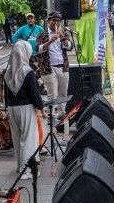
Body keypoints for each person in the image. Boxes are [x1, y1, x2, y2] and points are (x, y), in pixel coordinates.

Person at [5, 41, 44, 180]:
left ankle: (20, 166)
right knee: (28, 139)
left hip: (11, 108)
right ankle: (26, 170)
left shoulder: (7, 72)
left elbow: (6, 94)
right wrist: (41, 107)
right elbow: (34, 95)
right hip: (25, 108)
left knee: (17, 139)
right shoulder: (28, 72)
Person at [36, 11, 73, 114]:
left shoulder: (63, 33)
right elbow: (38, 49)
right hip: (49, 68)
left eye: (58, 21)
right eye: (54, 21)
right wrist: (50, 41)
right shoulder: (42, 35)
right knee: (52, 95)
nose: (56, 23)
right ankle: (51, 118)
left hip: (63, 67)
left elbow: (70, 47)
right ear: (48, 21)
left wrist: (63, 38)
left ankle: (62, 116)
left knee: (63, 94)